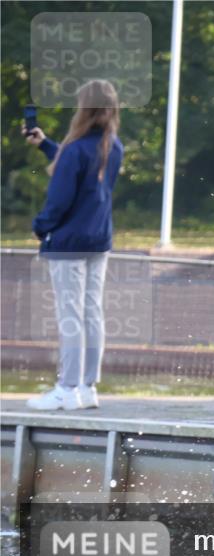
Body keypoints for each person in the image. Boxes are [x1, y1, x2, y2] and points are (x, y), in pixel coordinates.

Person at [24, 80, 124, 411]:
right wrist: (46, 145)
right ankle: (87, 386)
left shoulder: (78, 148)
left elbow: (61, 198)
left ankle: (66, 389)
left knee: (70, 316)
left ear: (84, 108)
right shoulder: (114, 146)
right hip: (99, 240)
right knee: (92, 312)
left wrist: (40, 227)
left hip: (68, 243)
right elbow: (80, 170)